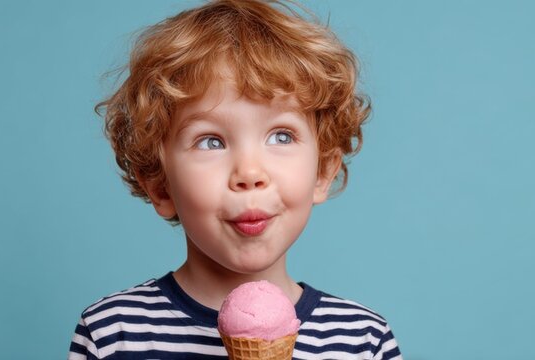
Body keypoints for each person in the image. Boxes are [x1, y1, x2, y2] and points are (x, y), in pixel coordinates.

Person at [70, 1, 402, 359]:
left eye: (281, 136)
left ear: (322, 171)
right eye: (211, 141)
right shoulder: (112, 334)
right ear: (160, 185)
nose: (249, 173)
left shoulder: (362, 340)